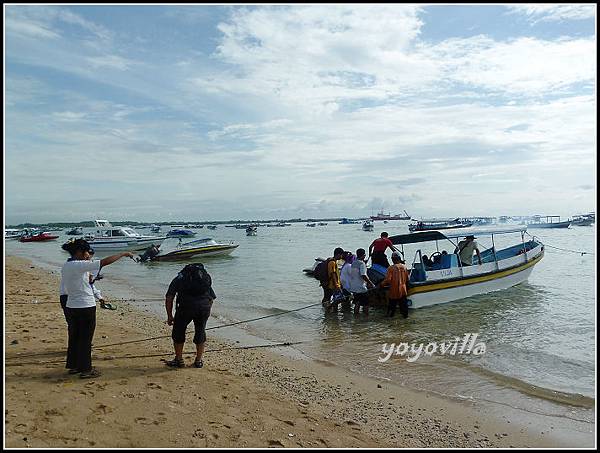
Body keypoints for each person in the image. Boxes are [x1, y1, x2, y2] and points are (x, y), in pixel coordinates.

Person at [60, 239, 134, 378]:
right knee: (85, 339)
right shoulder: (79, 265)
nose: (88, 255)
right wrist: (123, 253)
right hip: (85, 306)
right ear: (79, 252)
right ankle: (86, 370)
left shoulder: (67, 265)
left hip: (72, 305)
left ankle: (74, 366)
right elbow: (104, 262)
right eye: (87, 252)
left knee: (75, 337)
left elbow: (86, 279)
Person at [165, 263, 217, 369]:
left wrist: (170, 316)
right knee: (200, 331)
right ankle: (198, 361)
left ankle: (179, 360)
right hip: (203, 308)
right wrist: (207, 311)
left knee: (178, 332)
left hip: (185, 308)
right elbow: (212, 298)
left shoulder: (179, 278)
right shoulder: (204, 279)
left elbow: (169, 297)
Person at [380, 251, 410, 318]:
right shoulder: (404, 267)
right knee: (404, 308)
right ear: (399, 258)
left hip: (394, 291)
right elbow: (407, 279)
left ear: (392, 259)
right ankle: (406, 321)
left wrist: (381, 284)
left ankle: (390, 322)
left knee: (391, 308)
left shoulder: (391, 268)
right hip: (403, 290)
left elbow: (388, 279)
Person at [349, 248, 375, 315]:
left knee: (357, 302)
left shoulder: (353, 263)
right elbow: (363, 275)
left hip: (354, 287)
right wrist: (371, 283)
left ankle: (356, 317)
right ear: (364, 255)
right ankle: (366, 318)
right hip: (361, 287)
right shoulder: (362, 264)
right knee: (366, 303)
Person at [322, 247, 345, 311]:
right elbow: (333, 274)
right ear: (338, 254)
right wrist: (337, 285)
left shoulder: (332, 261)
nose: (341, 256)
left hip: (328, 283)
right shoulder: (332, 263)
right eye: (341, 254)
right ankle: (327, 310)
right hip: (331, 284)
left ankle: (327, 310)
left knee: (327, 297)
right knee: (328, 297)